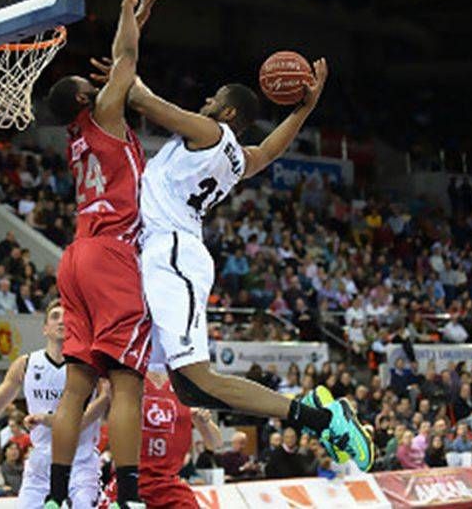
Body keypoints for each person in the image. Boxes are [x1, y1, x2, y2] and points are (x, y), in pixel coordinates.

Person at [92, 23, 370, 472]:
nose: (205, 102)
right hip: (170, 255)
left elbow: (141, 99)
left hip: (172, 254)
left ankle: (325, 420)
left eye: (213, 99)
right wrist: (303, 111)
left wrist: (124, 71)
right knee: (191, 389)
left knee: (198, 378)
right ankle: (319, 415)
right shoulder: (237, 156)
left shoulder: (210, 132)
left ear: (229, 114)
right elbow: (268, 153)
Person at [43, 0, 158, 507]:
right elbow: (126, 57)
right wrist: (126, 13)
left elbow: (125, 67)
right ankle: (131, 495)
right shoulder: (104, 116)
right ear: (88, 99)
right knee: (128, 382)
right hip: (111, 253)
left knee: (76, 387)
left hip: (75, 257)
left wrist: (135, 24)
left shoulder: (76, 137)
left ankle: (55, 496)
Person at [0, 300, 109, 508]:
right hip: (41, 462)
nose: (61, 321)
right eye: (55, 317)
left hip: (81, 461)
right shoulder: (26, 364)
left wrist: (51, 420)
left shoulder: (90, 364)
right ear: (45, 329)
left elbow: (104, 401)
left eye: (66, 317)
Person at [101, 364, 222, 508]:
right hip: (130, 480)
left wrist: (204, 422)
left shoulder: (185, 385)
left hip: (168, 484)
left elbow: (215, 444)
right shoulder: (126, 376)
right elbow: (101, 418)